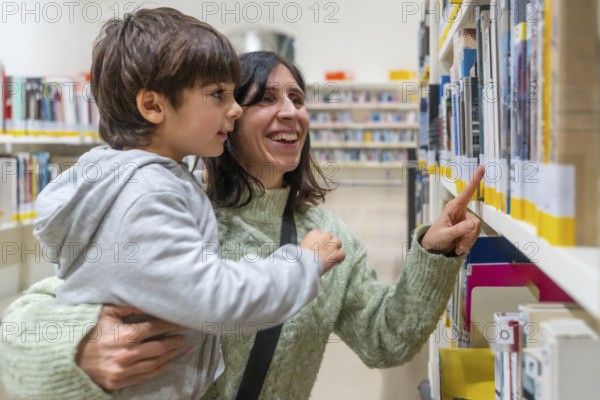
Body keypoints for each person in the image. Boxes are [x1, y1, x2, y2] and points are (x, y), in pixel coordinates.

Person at [0, 51, 484, 399]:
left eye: (297, 97)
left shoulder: (329, 238)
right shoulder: (176, 214)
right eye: (267, 98)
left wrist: (435, 254)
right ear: (227, 121)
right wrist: (81, 346)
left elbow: (386, 340)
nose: (291, 110)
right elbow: (26, 321)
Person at [12, 8, 346, 400]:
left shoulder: (124, 179)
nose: (234, 109)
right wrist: (303, 263)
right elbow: (217, 298)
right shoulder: (148, 193)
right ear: (154, 106)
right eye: (219, 95)